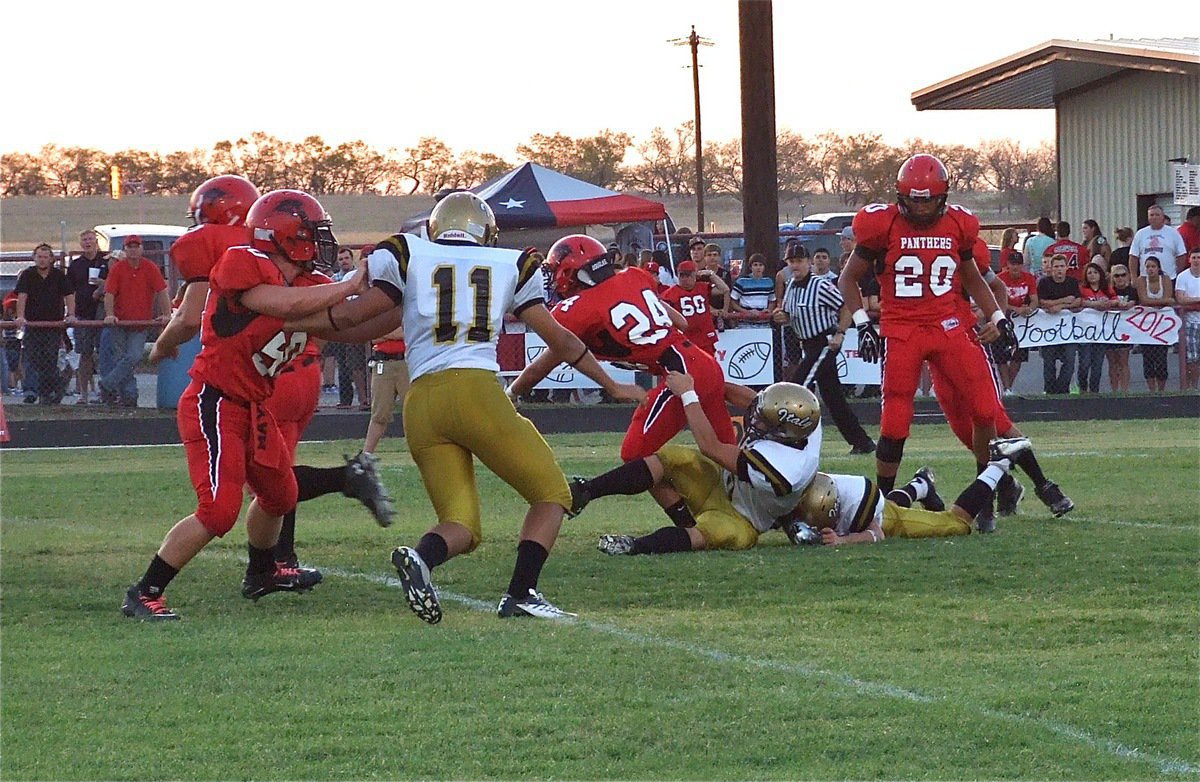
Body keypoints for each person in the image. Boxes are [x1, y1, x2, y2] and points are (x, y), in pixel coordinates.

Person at [290, 192, 646, 623]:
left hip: (421, 404)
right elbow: (563, 341)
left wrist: (281, 319)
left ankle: (421, 558)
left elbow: (349, 321)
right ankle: (522, 593)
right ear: (486, 232)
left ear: (437, 228)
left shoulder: (408, 253)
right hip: (475, 390)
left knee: (462, 525)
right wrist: (612, 384)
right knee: (553, 494)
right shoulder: (511, 264)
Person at [122, 190, 367, 621]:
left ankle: (263, 573)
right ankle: (144, 591)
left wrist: (400, 296)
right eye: (312, 232)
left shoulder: (310, 284)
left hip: (254, 405)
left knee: (280, 493)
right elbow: (280, 303)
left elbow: (348, 319)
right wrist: (349, 285)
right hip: (213, 400)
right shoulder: (242, 260)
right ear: (286, 235)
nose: (321, 240)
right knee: (218, 511)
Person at [837, 153, 1015, 494]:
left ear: (943, 196)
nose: (920, 209)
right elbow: (848, 279)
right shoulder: (882, 224)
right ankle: (884, 498)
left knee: (983, 408)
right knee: (895, 420)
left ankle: (985, 492)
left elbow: (974, 279)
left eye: (928, 200)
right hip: (902, 329)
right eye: (914, 201)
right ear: (901, 196)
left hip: (947, 325)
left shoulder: (958, 224)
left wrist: (998, 317)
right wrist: (861, 324)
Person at [509, 233, 735, 463]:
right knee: (730, 456)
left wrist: (511, 393)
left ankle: (686, 489)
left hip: (679, 373)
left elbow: (543, 365)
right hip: (703, 363)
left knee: (634, 454)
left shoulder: (576, 309)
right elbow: (681, 322)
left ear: (569, 271)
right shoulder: (635, 275)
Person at [573, 378, 822, 556]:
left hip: (742, 518)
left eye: (764, 420)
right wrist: (708, 381)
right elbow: (749, 399)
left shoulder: (787, 468)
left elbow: (709, 446)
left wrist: (689, 394)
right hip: (718, 482)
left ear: (784, 433)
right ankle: (585, 491)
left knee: (711, 533)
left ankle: (635, 546)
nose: (755, 418)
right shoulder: (803, 415)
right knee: (672, 457)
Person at [789, 437, 1033, 546]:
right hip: (877, 504)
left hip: (887, 520)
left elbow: (876, 535)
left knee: (957, 523)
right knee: (888, 504)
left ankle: (999, 463)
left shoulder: (854, 505)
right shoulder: (809, 490)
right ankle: (921, 485)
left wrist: (843, 540)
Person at [774, 242, 874, 454]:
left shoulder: (819, 285)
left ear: (808, 263)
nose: (795, 266)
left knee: (797, 388)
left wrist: (841, 333)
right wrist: (782, 317)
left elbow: (846, 305)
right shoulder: (791, 285)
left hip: (824, 342)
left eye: (799, 261)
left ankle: (791, 441)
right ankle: (862, 442)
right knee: (833, 397)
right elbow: (790, 315)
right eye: (791, 262)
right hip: (808, 344)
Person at [151, 175, 261, 361]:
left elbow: (189, 319)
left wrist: (162, 345)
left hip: (233, 358)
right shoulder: (267, 241)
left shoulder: (204, 240)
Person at [99, 235, 169, 406]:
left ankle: (107, 384)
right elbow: (109, 294)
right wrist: (109, 314)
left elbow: (162, 291)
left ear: (141, 248)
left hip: (140, 323)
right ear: (125, 249)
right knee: (121, 358)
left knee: (133, 356)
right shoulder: (118, 269)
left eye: (136, 246)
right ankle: (129, 396)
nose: (133, 249)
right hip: (120, 322)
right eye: (129, 246)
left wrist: (167, 313)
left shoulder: (150, 267)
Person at [13, 243, 75, 405]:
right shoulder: (28, 274)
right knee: (33, 358)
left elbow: (69, 294)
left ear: (51, 259)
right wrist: (20, 317)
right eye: (39, 257)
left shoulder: (59, 276)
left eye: (45, 257)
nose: (42, 260)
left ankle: (47, 392)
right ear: (34, 258)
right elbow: (22, 296)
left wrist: (71, 314)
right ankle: (46, 388)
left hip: (53, 324)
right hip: (33, 324)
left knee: (50, 357)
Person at [66, 229, 110, 404]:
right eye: (84, 240)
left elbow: (117, 282)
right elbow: (69, 292)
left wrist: (102, 286)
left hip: (103, 315)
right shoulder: (76, 265)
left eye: (91, 239)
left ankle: (105, 393)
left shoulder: (106, 261)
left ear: (96, 241)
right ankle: (83, 394)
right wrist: (71, 313)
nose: (88, 242)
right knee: (84, 355)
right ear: (81, 243)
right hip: (83, 315)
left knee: (104, 355)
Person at [659, 259, 727, 356]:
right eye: (682, 275)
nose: (685, 279)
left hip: (704, 337)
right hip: (685, 339)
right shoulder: (670, 294)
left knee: (708, 367)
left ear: (695, 275)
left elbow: (724, 289)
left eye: (688, 275)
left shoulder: (702, 287)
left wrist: (710, 274)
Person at [1036, 254, 1082, 394]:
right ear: (1051, 268)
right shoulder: (1044, 283)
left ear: (1066, 267)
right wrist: (1064, 301)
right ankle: (1049, 391)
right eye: (1056, 266)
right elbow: (1042, 302)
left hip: (1068, 331)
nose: (1059, 269)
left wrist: (1059, 306)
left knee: (1069, 360)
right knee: (1048, 362)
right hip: (1048, 330)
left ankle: (1062, 389)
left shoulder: (1072, 282)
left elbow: (1078, 301)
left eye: (1062, 266)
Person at [361, 322, 409, 455]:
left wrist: (385, 332)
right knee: (379, 414)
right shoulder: (384, 312)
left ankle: (422, 452)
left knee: (413, 411)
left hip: (406, 361)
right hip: (382, 362)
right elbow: (374, 337)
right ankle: (366, 455)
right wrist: (397, 333)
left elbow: (410, 333)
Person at [332, 246, 370, 409]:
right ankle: (363, 399)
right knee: (354, 366)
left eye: (346, 258)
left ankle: (373, 397)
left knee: (371, 365)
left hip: (372, 325)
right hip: (353, 326)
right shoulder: (349, 277)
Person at [996, 240, 1038, 393]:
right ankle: (1006, 387)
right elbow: (996, 301)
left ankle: (1008, 387)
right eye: (1012, 264)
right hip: (1003, 319)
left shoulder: (1029, 278)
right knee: (1001, 356)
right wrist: (1015, 309)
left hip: (1021, 323)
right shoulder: (1000, 278)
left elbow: (1034, 299)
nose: (1015, 267)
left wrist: (1029, 308)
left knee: (1018, 357)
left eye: (1018, 264)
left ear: (1022, 265)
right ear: (1008, 264)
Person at [1133, 256, 1174, 392]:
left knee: (1161, 359)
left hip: (1162, 326)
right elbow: (1144, 300)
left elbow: (1169, 297)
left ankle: (1161, 390)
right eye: (1148, 267)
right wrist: (1162, 302)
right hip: (1146, 326)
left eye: (1153, 266)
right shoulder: (1141, 281)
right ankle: (1151, 391)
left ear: (1158, 268)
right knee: (1148, 358)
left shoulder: (1166, 280)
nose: (1150, 269)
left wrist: (1159, 302)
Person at [1076, 262, 1115, 392]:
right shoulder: (1082, 289)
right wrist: (1094, 304)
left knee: (1097, 364)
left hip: (1101, 333)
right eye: (1089, 273)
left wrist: (1108, 303)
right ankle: (1082, 388)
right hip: (1085, 332)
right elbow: (1078, 302)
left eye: (1095, 272)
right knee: (1084, 363)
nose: (1092, 275)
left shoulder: (1106, 289)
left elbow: (1116, 299)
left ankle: (1094, 391)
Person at [1130, 205, 1187, 280]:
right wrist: (1133, 277)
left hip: (1169, 278)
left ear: (1163, 216)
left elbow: (1181, 255)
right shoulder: (1140, 234)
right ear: (1148, 217)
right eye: (1151, 215)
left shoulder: (1173, 233)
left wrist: (1178, 274)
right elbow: (1133, 257)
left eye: (1157, 215)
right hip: (1146, 278)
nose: (1154, 217)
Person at [1106, 263, 1138, 392]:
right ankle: (1114, 391)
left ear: (1128, 276)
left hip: (1125, 329)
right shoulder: (1108, 291)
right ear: (1112, 277)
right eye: (1116, 275)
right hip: (1109, 329)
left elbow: (1133, 303)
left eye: (1123, 275)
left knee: (1123, 361)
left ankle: (1124, 390)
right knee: (1112, 362)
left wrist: (1128, 304)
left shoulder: (1131, 291)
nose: (1120, 278)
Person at [1171, 247, 1200, 389]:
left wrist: (1192, 300)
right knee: (1192, 359)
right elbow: (1180, 299)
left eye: (1199, 258)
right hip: (1189, 322)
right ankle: (1192, 388)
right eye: (1194, 257)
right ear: (1189, 259)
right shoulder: (1182, 277)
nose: (1196, 261)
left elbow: (1186, 298)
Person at [728, 253, 775, 323]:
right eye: (755, 265)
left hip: (763, 321)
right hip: (744, 321)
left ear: (764, 267)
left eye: (760, 265)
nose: (758, 267)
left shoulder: (769, 282)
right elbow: (733, 302)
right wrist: (747, 312)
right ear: (750, 267)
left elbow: (772, 300)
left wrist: (768, 310)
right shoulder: (741, 281)